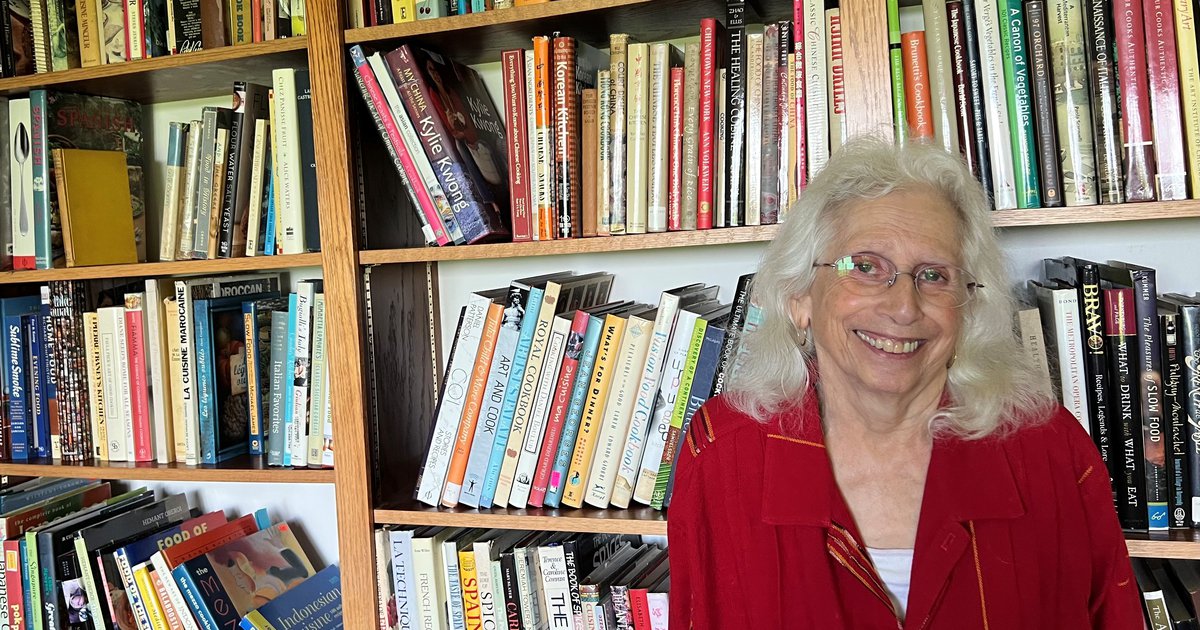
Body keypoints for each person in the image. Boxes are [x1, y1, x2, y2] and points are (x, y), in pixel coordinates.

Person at [667, 139, 1142, 629]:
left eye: (934, 275)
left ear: (969, 307)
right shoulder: (725, 453)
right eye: (867, 267)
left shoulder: (1051, 451)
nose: (903, 308)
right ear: (800, 296)